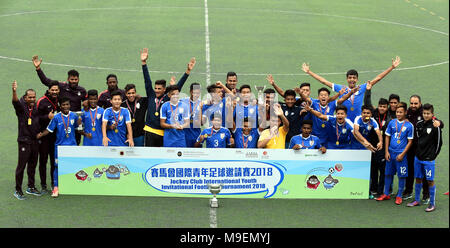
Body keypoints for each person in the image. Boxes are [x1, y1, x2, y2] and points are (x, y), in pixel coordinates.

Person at [301, 56, 401, 121]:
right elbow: (324, 81)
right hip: (344, 120)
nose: (352, 80)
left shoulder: (361, 88)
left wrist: (392, 67)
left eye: (354, 78)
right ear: (347, 79)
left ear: (357, 79)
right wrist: (309, 72)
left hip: (358, 120)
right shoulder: (341, 88)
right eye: (350, 78)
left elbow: (377, 79)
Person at [140, 48, 196, 147]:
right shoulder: (151, 94)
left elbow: (178, 87)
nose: (156, 90)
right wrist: (144, 63)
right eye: (155, 88)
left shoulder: (167, 98)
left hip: (163, 132)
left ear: (164, 89)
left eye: (159, 88)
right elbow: (147, 80)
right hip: (149, 130)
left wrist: (187, 71)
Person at [32, 55, 87, 145]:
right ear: (68, 79)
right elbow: (46, 81)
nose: (73, 81)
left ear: (78, 79)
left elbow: (87, 102)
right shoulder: (61, 86)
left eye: (75, 79)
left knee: (76, 143)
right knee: (60, 142)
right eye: (71, 79)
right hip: (62, 120)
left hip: (75, 120)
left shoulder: (82, 90)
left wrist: (86, 103)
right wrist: (38, 69)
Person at [37, 97, 82, 197]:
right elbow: (49, 130)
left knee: (72, 166)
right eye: (63, 105)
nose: (66, 106)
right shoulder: (56, 117)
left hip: (72, 146)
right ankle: (56, 188)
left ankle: (71, 186)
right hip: (60, 147)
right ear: (60, 106)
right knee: (57, 167)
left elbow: (78, 130)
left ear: (70, 105)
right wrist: (41, 135)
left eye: (67, 104)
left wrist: (80, 125)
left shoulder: (74, 116)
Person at [407, 103, 443, 212]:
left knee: (430, 180)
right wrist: (418, 152)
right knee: (418, 178)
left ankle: (432, 204)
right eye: (424, 113)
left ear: (432, 114)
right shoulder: (419, 124)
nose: (426, 115)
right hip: (418, 157)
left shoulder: (436, 126)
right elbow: (419, 139)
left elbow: (439, 143)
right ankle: (417, 200)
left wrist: (433, 156)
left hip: (429, 159)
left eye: (428, 113)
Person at [376, 104, 414, 205]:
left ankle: (399, 196)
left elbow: (410, 141)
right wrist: (386, 151)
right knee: (388, 174)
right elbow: (387, 137)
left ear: (405, 112)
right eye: (397, 112)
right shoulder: (392, 122)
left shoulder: (409, 126)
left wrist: (402, 154)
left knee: (401, 176)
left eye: (401, 112)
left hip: (401, 156)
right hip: (390, 153)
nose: (398, 114)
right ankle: (386, 194)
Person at [12, 81, 41, 200]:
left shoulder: (35, 108)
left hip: (34, 141)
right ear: (25, 97)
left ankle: (31, 187)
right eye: (30, 97)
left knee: (32, 165)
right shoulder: (21, 108)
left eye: (34, 97)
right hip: (24, 141)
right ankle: (18, 190)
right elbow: (15, 102)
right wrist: (14, 91)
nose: (32, 99)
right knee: (21, 166)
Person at [363, 84, 393, 198]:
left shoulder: (390, 116)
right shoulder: (373, 114)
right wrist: (368, 90)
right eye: (380, 106)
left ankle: (381, 191)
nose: (382, 108)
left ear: (387, 107)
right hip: (372, 146)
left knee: (383, 170)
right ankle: (373, 189)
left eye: (384, 106)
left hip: (383, 147)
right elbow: (367, 103)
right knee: (373, 169)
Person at [36, 80, 60, 193]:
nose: (54, 92)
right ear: (49, 90)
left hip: (55, 136)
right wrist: (47, 117)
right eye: (52, 90)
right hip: (44, 137)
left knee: (54, 161)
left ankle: (53, 183)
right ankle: (43, 184)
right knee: (43, 161)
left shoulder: (59, 101)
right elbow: (36, 118)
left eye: (56, 90)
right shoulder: (42, 101)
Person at [404, 95, 429, 202]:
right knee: (409, 169)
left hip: (422, 148)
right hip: (410, 147)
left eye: (416, 103)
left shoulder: (424, 112)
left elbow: (436, 121)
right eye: (412, 103)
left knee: (423, 171)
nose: (413, 105)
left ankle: (426, 194)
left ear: (420, 103)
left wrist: (439, 123)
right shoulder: (408, 112)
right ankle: (408, 191)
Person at [180, 83, 203, 147]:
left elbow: (201, 123)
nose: (196, 95)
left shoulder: (201, 104)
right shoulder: (182, 101)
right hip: (184, 134)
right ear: (190, 92)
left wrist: (200, 109)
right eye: (194, 92)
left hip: (196, 134)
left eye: (198, 93)